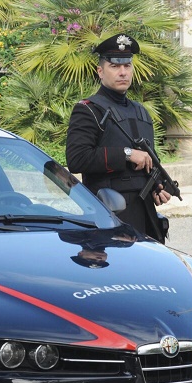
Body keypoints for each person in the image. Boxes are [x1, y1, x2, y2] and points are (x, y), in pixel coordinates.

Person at [65, 33, 171, 242]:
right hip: (109, 217)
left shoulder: (141, 112)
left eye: (127, 66)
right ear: (100, 71)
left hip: (145, 218)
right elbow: (77, 159)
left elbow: (150, 161)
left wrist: (158, 186)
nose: (122, 72)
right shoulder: (88, 110)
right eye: (114, 66)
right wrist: (127, 154)